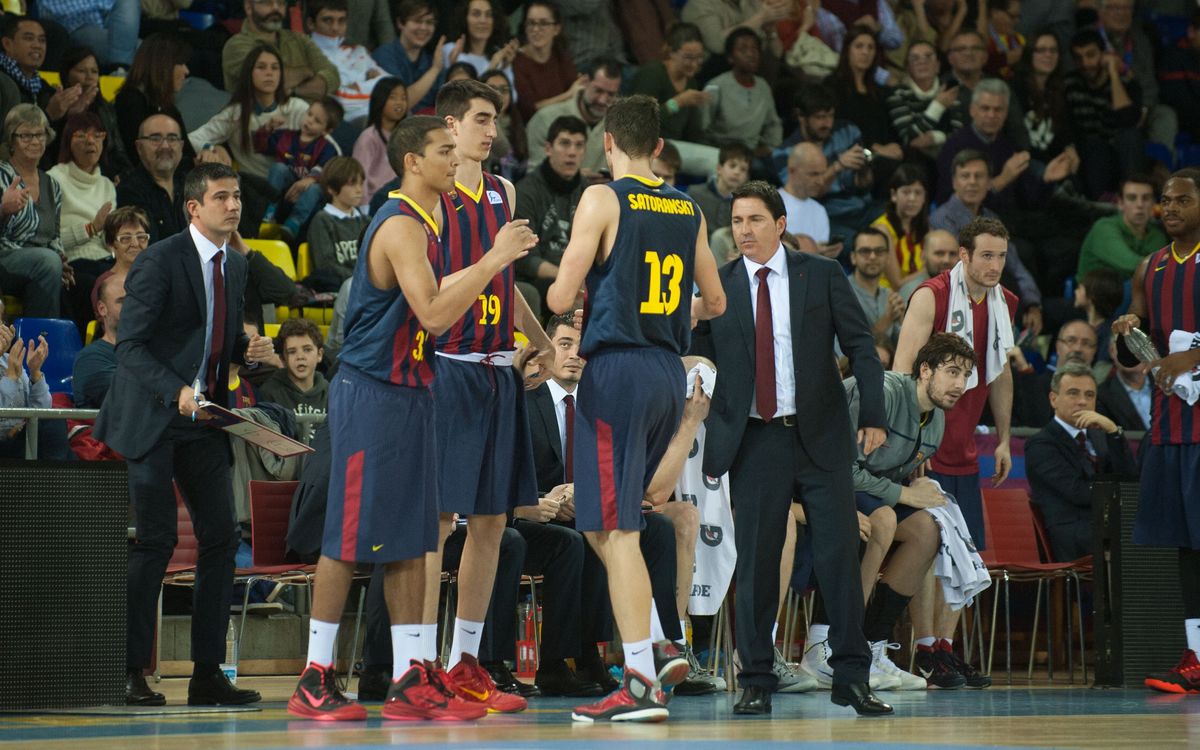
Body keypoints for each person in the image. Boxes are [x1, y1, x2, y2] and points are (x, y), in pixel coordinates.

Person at [284, 115, 531, 721]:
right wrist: (495, 258)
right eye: (444, 151)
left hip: (416, 391)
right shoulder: (399, 224)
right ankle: (315, 675)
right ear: (413, 162)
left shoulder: (433, 219)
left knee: (414, 540)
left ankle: (410, 675)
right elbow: (436, 314)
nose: (455, 160)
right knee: (349, 539)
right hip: (371, 393)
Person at [545, 94, 726, 722]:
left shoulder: (602, 197)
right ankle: (659, 640)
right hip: (666, 371)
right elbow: (716, 302)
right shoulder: (688, 206)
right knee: (602, 522)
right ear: (659, 146)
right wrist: (668, 310)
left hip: (617, 371)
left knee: (617, 528)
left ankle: (642, 680)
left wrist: (587, 292)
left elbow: (560, 295)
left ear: (608, 143)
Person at [691, 180, 890, 717]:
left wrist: (873, 416)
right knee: (757, 564)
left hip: (820, 435)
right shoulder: (718, 286)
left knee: (839, 557)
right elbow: (699, 358)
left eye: (755, 219)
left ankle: (852, 676)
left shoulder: (820, 274)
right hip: (755, 440)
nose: (744, 230)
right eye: (736, 221)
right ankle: (756, 677)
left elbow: (861, 346)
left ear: (780, 224)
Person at [94, 162, 274, 707]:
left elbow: (218, 342)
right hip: (153, 415)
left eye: (237, 196)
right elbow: (131, 346)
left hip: (204, 419)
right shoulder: (159, 259)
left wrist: (250, 352)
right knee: (156, 542)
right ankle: (128, 671)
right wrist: (175, 389)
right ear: (194, 207)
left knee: (221, 539)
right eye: (221, 197)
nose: (233, 205)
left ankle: (207, 675)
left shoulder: (235, 265)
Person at [425, 79, 550, 714]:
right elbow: (427, 288)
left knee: (494, 521)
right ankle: (418, 664)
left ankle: (464, 661)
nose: (492, 131)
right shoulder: (432, 197)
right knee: (439, 520)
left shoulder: (503, 191)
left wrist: (540, 340)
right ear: (449, 125)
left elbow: (506, 279)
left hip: (501, 370)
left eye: (495, 120)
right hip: (449, 366)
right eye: (480, 119)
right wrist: (494, 259)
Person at [803, 332, 976, 691]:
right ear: (925, 370)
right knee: (881, 518)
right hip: (817, 479)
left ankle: (871, 644)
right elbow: (841, 468)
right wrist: (905, 494)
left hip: (867, 490)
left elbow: (890, 475)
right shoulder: (883, 393)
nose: (960, 385)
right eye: (952, 372)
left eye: (965, 375)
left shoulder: (937, 420)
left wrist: (916, 490)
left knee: (928, 530)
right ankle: (830, 643)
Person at [893, 214, 1017, 690]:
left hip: (966, 445)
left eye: (1001, 256)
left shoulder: (1004, 303)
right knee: (929, 549)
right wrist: (912, 439)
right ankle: (925, 648)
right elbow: (902, 370)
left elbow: (999, 372)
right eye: (985, 255)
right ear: (963, 255)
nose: (994, 265)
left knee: (963, 552)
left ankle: (945, 647)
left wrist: (1002, 437)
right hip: (926, 444)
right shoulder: (932, 295)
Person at [1112, 168, 1200, 694]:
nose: (1170, 208)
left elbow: (1187, 351)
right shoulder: (1150, 266)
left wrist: (1194, 353)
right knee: (1185, 547)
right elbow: (1134, 347)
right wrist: (1127, 329)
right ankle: (1196, 655)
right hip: (1170, 426)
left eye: (1183, 200)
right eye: (1166, 200)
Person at [1026, 361, 1138, 562]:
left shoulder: (1101, 437)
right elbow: (1078, 493)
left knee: (1153, 529)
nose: (1082, 401)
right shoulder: (1041, 444)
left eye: (1089, 395)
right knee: (1129, 538)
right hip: (1071, 532)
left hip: (1104, 525)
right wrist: (1116, 493)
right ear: (1053, 399)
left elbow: (1129, 479)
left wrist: (1114, 432)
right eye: (1073, 393)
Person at [930, 149, 1042, 333]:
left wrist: (1033, 304)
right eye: (965, 176)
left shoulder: (992, 218)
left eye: (979, 176)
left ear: (989, 182)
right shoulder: (941, 219)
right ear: (954, 182)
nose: (972, 182)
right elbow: (963, 270)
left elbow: (1016, 265)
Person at [190, 44, 310, 181]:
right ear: (249, 72)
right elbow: (192, 139)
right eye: (261, 67)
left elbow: (326, 148)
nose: (269, 73)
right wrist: (213, 148)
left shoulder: (297, 108)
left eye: (275, 68)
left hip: (297, 185)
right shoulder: (236, 113)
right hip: (254, 187)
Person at [0, 104, 69, 319]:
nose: (35, 141)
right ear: (11, 140)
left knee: (81, 281)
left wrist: (61, 261)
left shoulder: (52, 184)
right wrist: (3, 210)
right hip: (5, 257)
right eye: (26, 135)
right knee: (47, 262)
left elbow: (54, 236)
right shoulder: (2, 175)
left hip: (42, 262)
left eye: (40, 134)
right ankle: (40, 335)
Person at [48, 111, 115, 331]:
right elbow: (49, 240)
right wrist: (91, 228)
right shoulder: (54, 179)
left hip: (106, 261)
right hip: (73, 263)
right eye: (82, 135)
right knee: (100, 287)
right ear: (68, 140)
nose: (90, 141)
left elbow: (109, 242)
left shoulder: (107, 185)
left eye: (97, 135)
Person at [628, 22, 720, 179]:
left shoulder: (691, 82)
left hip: (675, 147)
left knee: (725, 161)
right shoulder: (652, 73)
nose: (694, 64)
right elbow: (640, 123)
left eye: (699, 58)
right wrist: (677, 102)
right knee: (716, 161)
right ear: (671, 52)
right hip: (647, 145)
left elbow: (693, 132)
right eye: (688, 57)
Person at [514, 115, 587, 309]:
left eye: (579, 145)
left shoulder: (589, 192)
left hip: (577, 277)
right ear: (548, 148)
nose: (572, 152)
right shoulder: (526, 192)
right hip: (540, 280)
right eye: (565, 143)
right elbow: (526, 259)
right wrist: (568, 279)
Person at [1064, 28, 1144, 201]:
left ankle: (1132, 197)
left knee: (1130, 136)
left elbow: (1127, 119)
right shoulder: (1070, 83)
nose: (1085, 63)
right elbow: (1067, 126)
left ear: (1103, 54)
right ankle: (1101, 205)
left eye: (1091, 55)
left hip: (1122, 152)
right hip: (1089, 155)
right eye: (1078, 58)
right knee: (1095, 145)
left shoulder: (1126, 83)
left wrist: (1114, 74)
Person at [257, 96, 343, 243]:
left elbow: (326, 170)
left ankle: (294, 223)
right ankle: (268, 212)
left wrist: (309, 180)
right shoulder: (286, 136)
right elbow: (260, 145)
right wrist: (268, 128)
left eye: (317, 121)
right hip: (284, 193)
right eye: (309, 114)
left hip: (307, 198)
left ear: (326, 130)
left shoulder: (327, 148)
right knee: (279, 168)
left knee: (315, 188)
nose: (310, 121)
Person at [525, 56, 621, 179]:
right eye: (598, 91)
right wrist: (576, 180)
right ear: (584, 82)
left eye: (611, 94)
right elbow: (534, 176)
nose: (602, 100)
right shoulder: (545, 119)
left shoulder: (619, 125)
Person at [222, 0, 339, 99]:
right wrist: (307, 71)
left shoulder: (299, 40)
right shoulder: (235, 46)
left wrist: (294, 91)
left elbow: (332, 76)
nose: (276, 8)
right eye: (267, 2)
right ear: (249, 7)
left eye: (281, 3)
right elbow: (267, 78)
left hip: (312, 116)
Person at [113, 32, 195, 166]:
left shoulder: (168, 107)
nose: (186, 71)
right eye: (181, 63)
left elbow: (188, 156)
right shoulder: (131, 101)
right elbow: (141, 160)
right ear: (163, 64)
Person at [702, 27, 783, 157]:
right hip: (721, 153)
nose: (750, 54)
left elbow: (773, 124)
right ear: (730, 57)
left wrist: (769, 148)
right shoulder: (716, 86)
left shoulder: (763, 86)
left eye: (754, 49)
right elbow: (701, 128)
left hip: (752, 153)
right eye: (743, 50)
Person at [51, 46, 131, 178]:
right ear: (66, 75)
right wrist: (70, 117)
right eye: (81, 71)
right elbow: (52, 150)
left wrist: (123, 175)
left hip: (104, 176)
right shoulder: (55, 104)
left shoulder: (105, 108)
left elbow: (118, 151)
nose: (89, 77)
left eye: (94, 71)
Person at [306, 0, 386, 124]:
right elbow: (339, 100)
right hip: (338, 124)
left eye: (341, 21)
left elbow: (390, 84)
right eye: (328, 20)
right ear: (311, 23)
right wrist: (373, 84)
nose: (335, 27)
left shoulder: (358, 51)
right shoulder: (305, 55)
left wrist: (358, 87)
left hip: (376, 116)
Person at [1077, 174, 1167, 284]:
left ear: (1153, 203)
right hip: (1094, 292)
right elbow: (1131, 264)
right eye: (1132, 198)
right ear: (1120, 203)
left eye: (1146, 198)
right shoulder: (1104, 228)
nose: (1140, 205)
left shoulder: (1157, 235)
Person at [1010, 27, 1078, 172]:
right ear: (1029, 54)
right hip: (1025, 162)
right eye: (1041, 50)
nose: (1048, 55)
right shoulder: (1015, 88)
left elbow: (1066, 129)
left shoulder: (1059, 89)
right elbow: (1016, 138)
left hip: (1054, 160)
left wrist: (1070, 148)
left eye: (1053, 50)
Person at [117, 115, 186, 245]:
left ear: (181, 146)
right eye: (155, 139)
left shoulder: (192, 186)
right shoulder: (129, 192)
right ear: (139, 147)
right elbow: (148, 249)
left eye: (172, 138)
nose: (165, 146)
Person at [885, 39, 962, 156]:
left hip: (950, 155)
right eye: (915, 58)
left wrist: (937, 137)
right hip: (912, 159)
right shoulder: (898, 94)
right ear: (908, 67)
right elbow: (908, 138)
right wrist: (938, 106)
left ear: (937, 66)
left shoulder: (948, 91)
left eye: (928, 56)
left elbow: (959, 135)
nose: (922, 62)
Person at [0, 16, 78, 131]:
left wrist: (71, 115)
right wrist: (49, 114)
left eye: (42, 40)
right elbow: (8, 134)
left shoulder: (45, 89)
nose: (37, 46)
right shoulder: (2, 83)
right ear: (7, 44)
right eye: (28, 38)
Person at [370, 0, 445, 114]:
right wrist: (434, 70)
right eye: (417, 21)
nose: (423, 27)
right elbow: (399, 105)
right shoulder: (384, 55)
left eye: (429, 22)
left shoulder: (432, 60)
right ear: (400, 23)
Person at [512, 0, 578, 124]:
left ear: (556, 29)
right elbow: (531, 109)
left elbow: (576, 88)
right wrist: (568, 95)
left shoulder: (560, 56)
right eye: (531, 23)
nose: (536, 29)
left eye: (543, 23)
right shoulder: (517, 62)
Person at [307, 156, 368, 290]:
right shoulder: (322, 221)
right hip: (340, 289)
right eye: (352, 184)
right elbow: (326, 265)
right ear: (332, 189)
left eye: (360, 184)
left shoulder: (366, 221)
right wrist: (361, 279)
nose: (359, 190)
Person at [871, 163, 930, 290]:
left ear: (924, 197)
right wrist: (931, 270)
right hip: (890, 295)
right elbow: (897, 283)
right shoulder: (882, 230)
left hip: (919, 291)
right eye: (906, 192)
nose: (912, 198)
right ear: (894, 195)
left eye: (918, 193)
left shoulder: (927, 229)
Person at [256, 318, 328, 417]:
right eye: (292, 352)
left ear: (319, 354)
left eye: (307, 350)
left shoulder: (332, 393)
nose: (300, 357)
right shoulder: (269, 393)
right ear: (283, 359)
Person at [352, 77, 406, 205]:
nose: (400, 103)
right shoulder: (369, 137)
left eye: (404, 98)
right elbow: (360, 176)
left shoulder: (405, 137)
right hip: (375, 202)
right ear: (380, 100)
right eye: (393, 97)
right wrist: (364, 207)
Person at [37, 0, 138, 68]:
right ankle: (120, 67)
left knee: (129, 2)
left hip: (108, 25)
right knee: (140, 52)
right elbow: (56, 12)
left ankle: (121, 67)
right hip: (75, 27)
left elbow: (111, 6)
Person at [72, 270, 122, 408]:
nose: (132, 306)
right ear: (102, 308)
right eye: (122, 301)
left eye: (135, 300)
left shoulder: (151, 349)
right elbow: (130, 397)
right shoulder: (90, 358)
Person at [849, 228, 905, 345]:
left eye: (879, 251)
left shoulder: (889, 295)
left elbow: (898, 344)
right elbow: (851, 349)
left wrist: (903, 321)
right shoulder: (841, 293)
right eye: (865, 251)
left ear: (888, 257)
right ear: (853, 257)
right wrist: (887, 319)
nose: (873, 256)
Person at [686, 141, 750, 239]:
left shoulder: (746, 204)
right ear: (719, 168)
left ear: (746, 177)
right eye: (732, 166)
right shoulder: (695, 193)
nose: (737, 172)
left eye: (743, 169)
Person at [779, 142, 834, 249]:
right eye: (814, 174)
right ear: (792, 171)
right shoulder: (770, 204)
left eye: (822, 174)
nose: (820, 181)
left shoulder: (820, 211)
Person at [1097, 336, 1152, 432]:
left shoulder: (1169, 384)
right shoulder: (1102, 396)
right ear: (1111, 351)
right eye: (1124, 346)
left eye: (1138, 345)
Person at [898, 228, 959, 302]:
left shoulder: (966, 288)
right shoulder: (910, 291)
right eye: (939, 253)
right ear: (923, 257)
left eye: (952, 254)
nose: (947, 260)